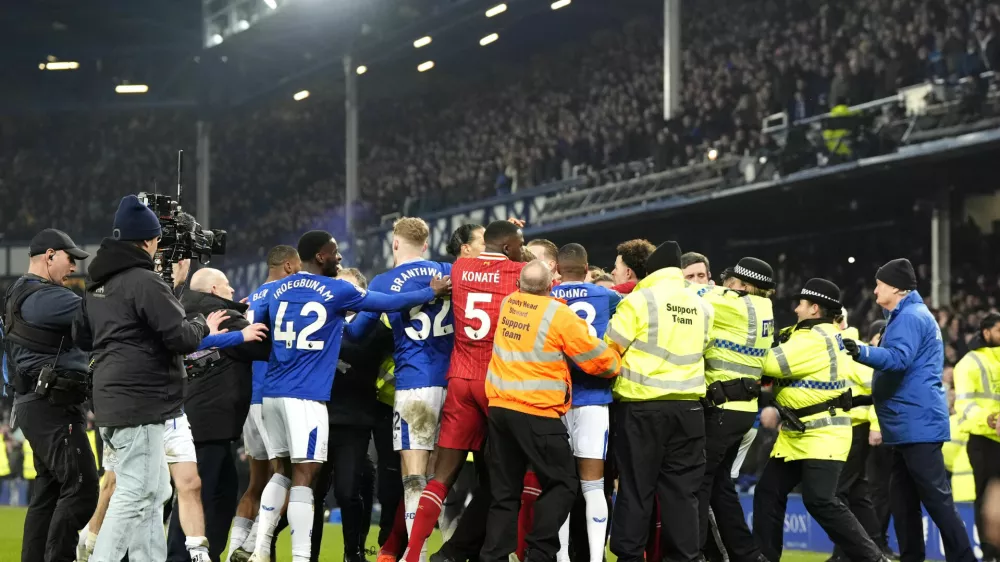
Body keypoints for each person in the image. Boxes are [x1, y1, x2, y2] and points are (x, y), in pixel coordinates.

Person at [249, 230, 450, 562]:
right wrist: (429, 291)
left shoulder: (276, 289)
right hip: (307, 397)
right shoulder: (337, 289)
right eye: (335, 252)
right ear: (320, 257)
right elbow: (387, 302)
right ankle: (300, 558)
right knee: (303, 476)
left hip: (271, 393)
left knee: (280, 472)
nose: (339, 256)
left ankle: (258, 548)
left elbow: (253, 330)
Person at [73, 195, 224, 562]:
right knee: (134, 494)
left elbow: (81, 336)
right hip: (141, 402)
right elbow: (182, 337)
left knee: (156, 491)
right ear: (147, 240)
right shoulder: (144, 281)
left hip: (113, 400)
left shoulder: (96, 286)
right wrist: (204, 323)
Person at [392, 220, 527, 562]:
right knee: (505, 476)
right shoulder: (518, 272)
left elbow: (442, 276)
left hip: (459, 378)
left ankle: (412, 555)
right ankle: (509, 552)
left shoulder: (460, 267)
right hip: (497, 382)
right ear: (510, 247)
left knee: (440, 478)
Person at [481, 260, 621, 562]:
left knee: (505, 492)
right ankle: (540, 551)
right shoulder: (559, 315)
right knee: (564, 483)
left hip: (500, 409)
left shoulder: (509, 303)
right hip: (537, 412)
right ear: (550, 286)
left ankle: (493, 556)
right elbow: (599, 362)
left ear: (520, 286)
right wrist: (616, 359)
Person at [844, 258, 976, 562]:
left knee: (935, 499)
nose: (874, 290)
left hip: (917, 423)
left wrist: (862, 351)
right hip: (907, 425)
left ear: (896, 287)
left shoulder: (910, 317)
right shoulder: (905, 315)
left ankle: (964, 558)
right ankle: (912, 557)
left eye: (879, 284)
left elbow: (898, 359)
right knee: (903, 502)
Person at [345, 217, 454, 562]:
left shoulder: (385, 280)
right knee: (446, 476)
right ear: (426, 243)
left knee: (414, 476)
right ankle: (452, 548)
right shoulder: (449, 271)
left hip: (414, 385)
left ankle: (416, 555)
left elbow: (358, 334)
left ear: (395, 244)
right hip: (453, 384)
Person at [753, 278, 885, 562]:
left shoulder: (815, 338)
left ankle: (874, 559)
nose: (796, 308)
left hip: (821, 433)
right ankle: (764, 557)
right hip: (798, 433)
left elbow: (769, 364)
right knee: (768, 492)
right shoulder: (813, 334)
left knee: (821, 500)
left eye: (801, 304)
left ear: (814, 308)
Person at [604, 241, 714, 562]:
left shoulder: (639, 301)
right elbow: (704, 346)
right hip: (690, 410)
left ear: (649, 271)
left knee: (637, 490)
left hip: (642, 410)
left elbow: (611, 347)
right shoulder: (702, 306)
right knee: (683, 495)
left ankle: (628, 557)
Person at [3, 228, 98, 562]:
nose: (73, 267)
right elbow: (96, 316)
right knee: (83, 490)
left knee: (50, 491)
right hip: (52, 405)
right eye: (70, 259)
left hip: (37, 402)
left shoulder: (21, 292)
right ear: (50, 256)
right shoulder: (45, 297)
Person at [166, 267, 273, 562]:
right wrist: (253, 315)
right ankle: (179, 557)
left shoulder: (182, 309)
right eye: (228, 288)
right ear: (214, 289)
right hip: (210, 423)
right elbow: (263, 345)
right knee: (200, 494)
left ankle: (199, 555)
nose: (233, 294)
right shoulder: (221, 313)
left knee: (217, 492)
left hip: (193, 417)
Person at [311, 268, 396, 562]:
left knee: (348, 493)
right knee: (314, 494)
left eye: (348, 290)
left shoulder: (374, 328)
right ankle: (309, 556)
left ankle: (354, 553)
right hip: (317, 417)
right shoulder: (317, 322)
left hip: (356, 421)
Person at [695, 257, 775, 562]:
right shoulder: (763, 309)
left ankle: (697, 554)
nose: (726, 285)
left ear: (743, 285)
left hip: (722, 408)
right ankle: (747, 554)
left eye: (732, 282)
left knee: (698, 484)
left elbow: (692, 292)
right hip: (742, 410)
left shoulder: (737, 304)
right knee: (719, 486)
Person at [228, 244, 302, 561]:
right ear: (287, 266)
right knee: (287, 475)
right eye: (298, 268)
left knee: (256, 483)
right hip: (275, 396)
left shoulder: (250, 300)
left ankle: (234, 549)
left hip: (251, 398)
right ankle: (253, 545)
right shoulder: (286, 297)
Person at [550, 244, 622, 562]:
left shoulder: (547, 298)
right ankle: (595, 558)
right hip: (594, 397)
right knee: (594, 486)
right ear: (587, 267)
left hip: (556, 399)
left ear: (557, 269)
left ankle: (563, 557)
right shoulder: (606, 297)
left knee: (561, 484)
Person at [828, 317, 888, 562]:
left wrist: (875, 425)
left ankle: (844, 553)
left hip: (854, 427)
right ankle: (875, 544)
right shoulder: (837, 346)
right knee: (856, 493)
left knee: (838, 492)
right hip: (846, 426)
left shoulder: (847, 346)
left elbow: (877, 388)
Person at [953, 311, 1000, 562]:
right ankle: (990, 552)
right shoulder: (969, 363)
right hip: (983, 440)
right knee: (985, 497)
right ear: (986, 332)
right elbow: (964, 406)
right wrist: (990, 419)